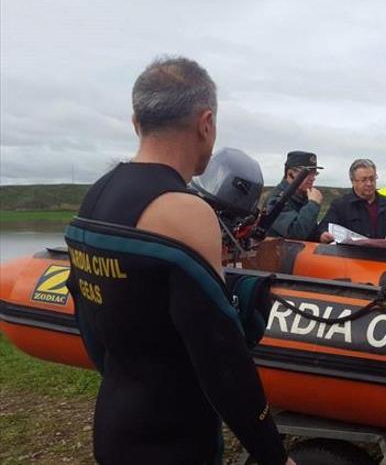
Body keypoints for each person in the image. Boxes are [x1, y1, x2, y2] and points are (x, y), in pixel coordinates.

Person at [63, 57, 293, 465]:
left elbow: (88, 314)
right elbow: (220, 356)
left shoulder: (97, 193)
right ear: (206, 123)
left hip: (116, 417)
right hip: (175, 436)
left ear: (137, 122)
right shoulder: (184, 212)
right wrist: (272, 454)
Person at [316, 158, 386, 243]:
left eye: (372, 179)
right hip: (351, 256)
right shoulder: (340, 205)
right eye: (364, 180)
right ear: (353, 181)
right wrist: (323, 234)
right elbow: (324, 227)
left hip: (384, 256)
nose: (369, 183)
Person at [265, 151, 323, 239]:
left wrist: (320, 236)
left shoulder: (304, 196)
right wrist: (313, 204)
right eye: (307, 173)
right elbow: (295, 233)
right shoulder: (277, 199)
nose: (313, 178)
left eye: (314, 173)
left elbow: (308, 230)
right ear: (290, 174)